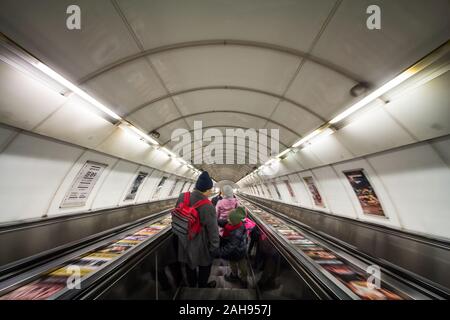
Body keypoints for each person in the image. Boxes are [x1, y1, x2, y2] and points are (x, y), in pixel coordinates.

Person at [175, 171, 219, 288]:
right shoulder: (207, 205)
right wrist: (214, 246)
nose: (211, 192)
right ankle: (202, 286)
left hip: (183, 238)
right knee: (205, 265)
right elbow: (213, 229)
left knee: (190, 265)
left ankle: (192, 286)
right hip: (200, 242)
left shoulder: (182, 196)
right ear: (207, 189)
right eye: (210, 189)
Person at [218, 207, 249, 288]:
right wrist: (215, 220)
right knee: (233, 263)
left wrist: (219, 252)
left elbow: (230, 246)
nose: (227, 220)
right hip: (239, 251)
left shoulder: (237, 233)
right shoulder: (234, 224)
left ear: (234, 221)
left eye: (229, 219)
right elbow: (224, 222)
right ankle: (235, 275)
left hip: (238, 251)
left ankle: (243, 279)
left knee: (241, 265)